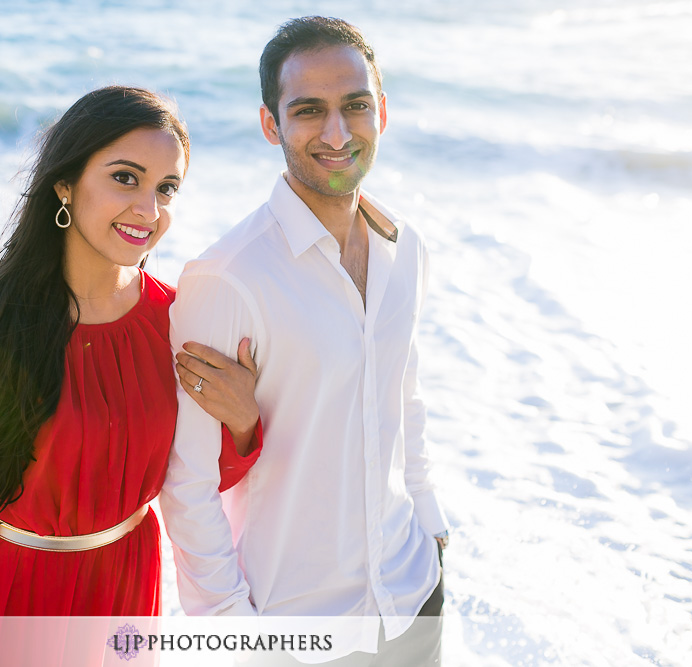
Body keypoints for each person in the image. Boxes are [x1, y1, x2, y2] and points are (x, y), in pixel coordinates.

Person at [0, 86, 263, 667]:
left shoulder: (176, 319)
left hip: (123, 596)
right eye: (125, 178)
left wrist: (242, 424)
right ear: (64, 184)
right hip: (4, 598)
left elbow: (194, 479)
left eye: (166, 189)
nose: (149, 210)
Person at [161, 17, 451, 666]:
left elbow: (406, 396)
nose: (337, 132)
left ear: (381, 111)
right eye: (309, 111)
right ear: (271, 125)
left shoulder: (406, 249)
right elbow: (188, 481)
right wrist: (237, 634)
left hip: (412, 594)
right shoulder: (227, 277)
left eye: (355, 106)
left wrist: (432, 526)